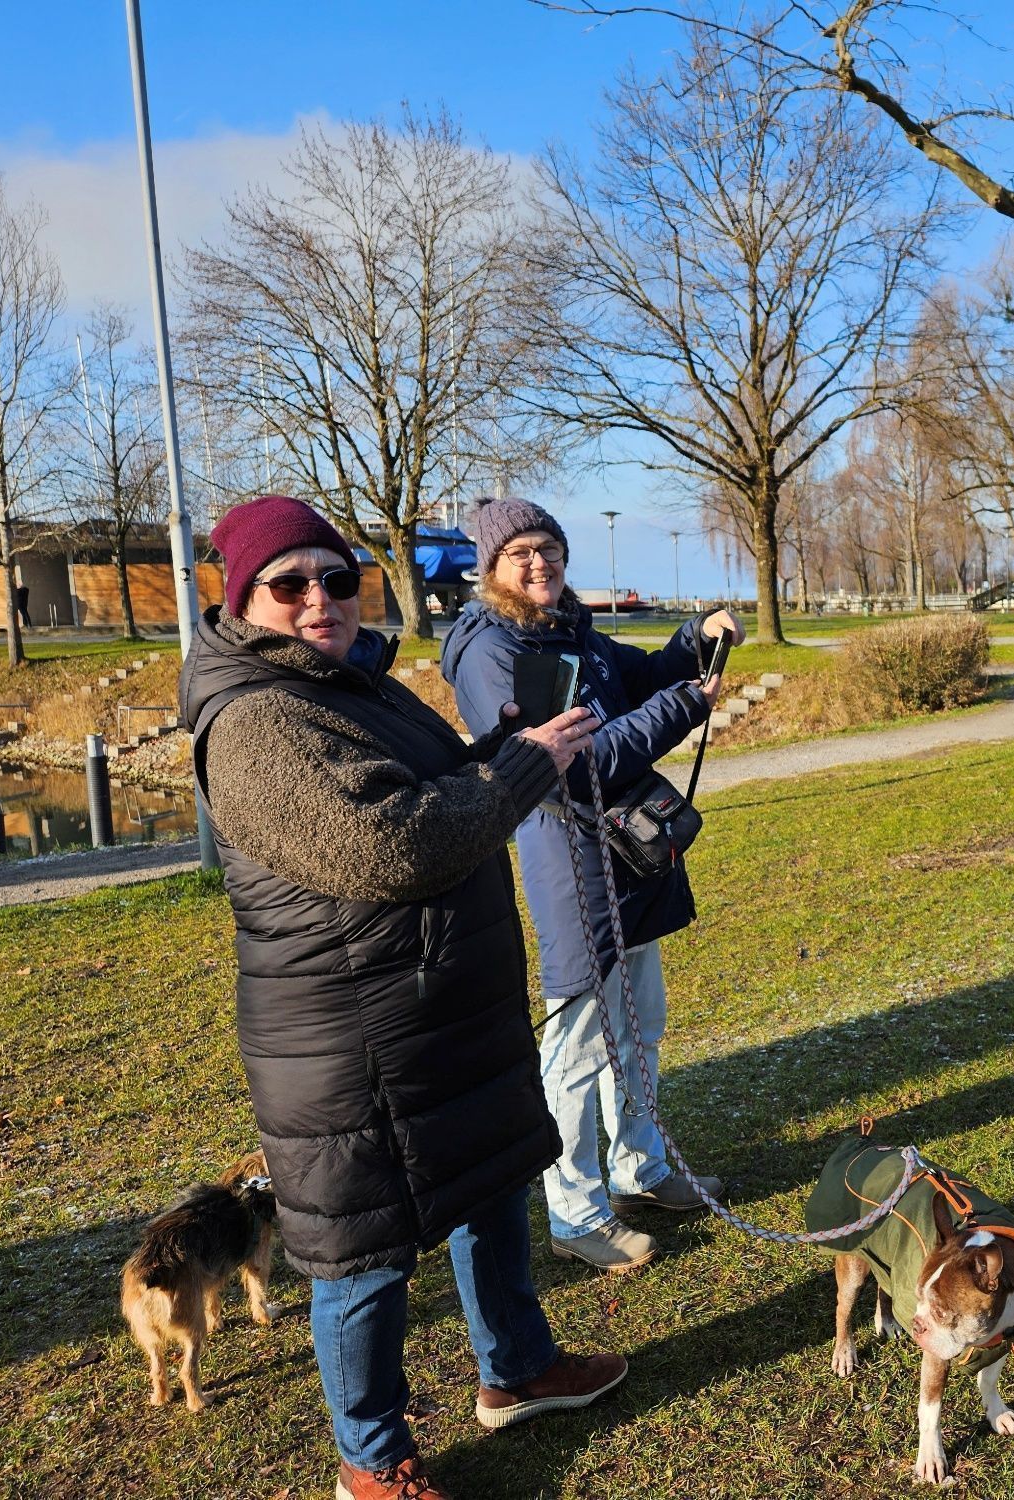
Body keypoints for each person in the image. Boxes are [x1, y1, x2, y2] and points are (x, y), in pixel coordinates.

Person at [178, 495, 624, 1500]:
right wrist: (517, 775)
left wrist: (494, 748)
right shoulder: (256, 717)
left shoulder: (346, 682)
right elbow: (392, 844)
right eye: (287, 584)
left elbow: (412, 789)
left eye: (336, 578)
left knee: (489, 1183)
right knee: (363, 1256)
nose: (318, 601)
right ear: (241, 597)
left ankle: (516, 1370)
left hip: (434, 1008)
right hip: (348, 1039)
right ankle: (370, 1463)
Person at [442, 498, 742, 1272]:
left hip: (629, 851)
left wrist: (692, 641)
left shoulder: (567, 628)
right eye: (521, 554)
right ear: (491, 568)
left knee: (641, 1023)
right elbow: (570, 762)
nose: (539, 563)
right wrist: (684, 708)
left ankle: (640, 1172)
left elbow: (635, 676)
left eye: (548, 547)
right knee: (578, 1043)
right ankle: (576, 1213)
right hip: (570, 858)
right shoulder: (491, 650)